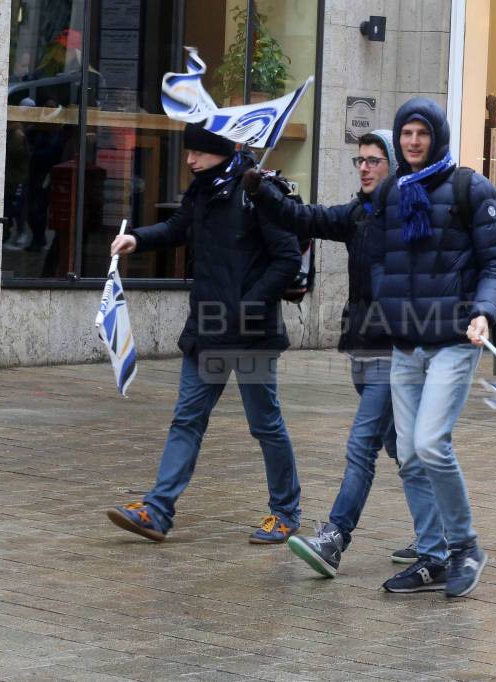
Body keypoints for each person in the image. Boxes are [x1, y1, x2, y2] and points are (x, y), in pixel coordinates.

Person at [105, 123, 303, 545]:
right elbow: (177, 228)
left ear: (221, 150)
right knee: (187, 419)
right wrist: (136, 240)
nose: (190, 160)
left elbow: (286, 259)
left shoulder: (258, 191)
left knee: (264, 424)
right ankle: (157, 511)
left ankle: (285, 512)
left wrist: (249, 306)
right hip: (208, 326)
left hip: (250, 330)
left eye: (198, 152)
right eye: (188, 152)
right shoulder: (202, 189)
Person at [243, 129, 417, 576]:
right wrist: (262, 190)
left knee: (363, 445)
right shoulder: (358, 214)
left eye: (374, 160)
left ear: (392, 166)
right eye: (360, 160)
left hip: (393, 347)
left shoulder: (409, 216)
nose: (364, 167)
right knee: (402, 446)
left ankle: (335, 537)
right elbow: (306, 218)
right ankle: (442, 536)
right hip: (361, 345)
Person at [370, 98, 496, 597]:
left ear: (437, 137)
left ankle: (466, 546)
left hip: (455, 338)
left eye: (421, 133)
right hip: (407, 343)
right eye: (405, 133)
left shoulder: (470, 188)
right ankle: (431, 558)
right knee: (408, 455)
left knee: (431, 443)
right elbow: (374, 251)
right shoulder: (391, 192)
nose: (412, 142)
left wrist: (484, 312)